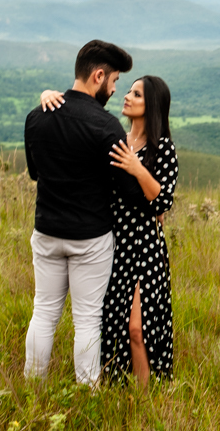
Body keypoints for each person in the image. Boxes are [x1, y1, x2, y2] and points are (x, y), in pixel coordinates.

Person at [41, 75, 177, 387]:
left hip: (145, 248)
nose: (126, 96)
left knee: (137, 328)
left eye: (137, 94)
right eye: (128, 91)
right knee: (111, 321)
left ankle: (146, 400)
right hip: (111, 243)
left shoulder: (163, 148)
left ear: (152, 105)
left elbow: (163, 202)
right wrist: (48, 95)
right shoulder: (115, 139)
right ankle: (117, 385)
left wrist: (137, 168)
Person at [23, 39, 133, 386]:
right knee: (87, 319)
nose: (114, 90)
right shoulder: (107, 126)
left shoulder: (36, 117)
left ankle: (33, 386)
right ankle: (88, 392)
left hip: (47, 231)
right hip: (90, 237)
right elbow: (126, 190)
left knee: (44, 312)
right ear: (98, 75)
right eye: (114, 81)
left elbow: (35, 173)